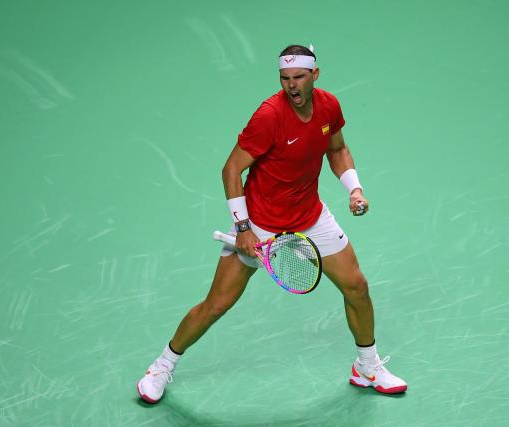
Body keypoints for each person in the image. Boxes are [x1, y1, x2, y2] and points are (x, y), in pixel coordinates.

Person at [136, 44, 407, 403]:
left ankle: (367, 366)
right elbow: (231, 169)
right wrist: (244, 228)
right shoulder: (269, 117)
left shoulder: (329, 105)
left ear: (315, 75)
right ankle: (162, 365)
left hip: (310, 218)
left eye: (298, 78)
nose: (292, 86)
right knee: (216, 304)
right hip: (260, 224)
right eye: (284, 79)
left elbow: (337, 149)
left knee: (356, 286)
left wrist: (354, 189)